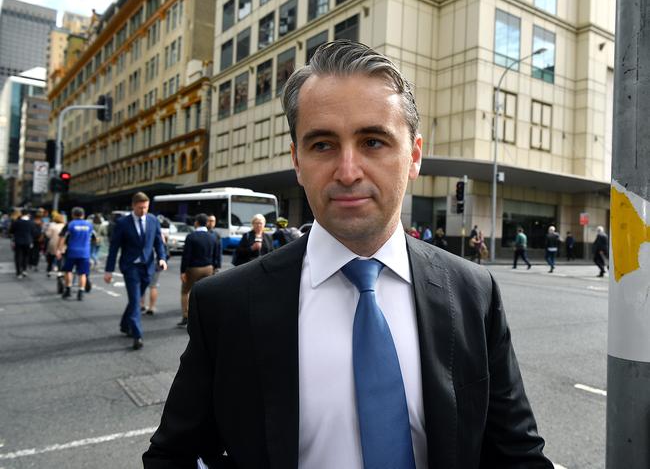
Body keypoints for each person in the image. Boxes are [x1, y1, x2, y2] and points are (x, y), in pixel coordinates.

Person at [143, 41, 551, 468]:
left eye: (373, 141)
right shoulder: (226, 303)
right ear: (297, 161)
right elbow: (172, 456)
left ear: (413, 156)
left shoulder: (473, 291)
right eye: (322, 145)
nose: (348, 171)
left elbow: (517, 453)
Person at [104, 192, 167, 350]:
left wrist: (162, 257)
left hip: (148, 266)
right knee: (135, 300)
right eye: (140, 208)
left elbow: (158, 242)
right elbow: (114, 248)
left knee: (135, 298)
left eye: (145, 207)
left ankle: (125, 325)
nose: (143, 211)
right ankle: (137, 335)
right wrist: (109, 270)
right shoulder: (123, 223)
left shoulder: (153, 220)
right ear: (133, 206)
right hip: (130, 266)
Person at [177, 213, 221, 328]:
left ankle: (186, 317)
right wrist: (216, 267)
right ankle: (205, 316)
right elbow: (216, 254)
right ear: (206, 223)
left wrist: (182, 271)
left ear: (196, 222)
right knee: (205, 293)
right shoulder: (213, 236)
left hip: (193, 268)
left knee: (185, 292)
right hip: (208, 268)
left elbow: (186, 256)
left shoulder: (191, 236)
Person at [57, 207, 92, 301]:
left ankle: (68, 289)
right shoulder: (89, 225)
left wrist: (59, 250)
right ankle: (81, 292)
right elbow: (93, 238)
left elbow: (62, 237)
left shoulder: (70, 224)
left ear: (72, 215)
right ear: (83, 215)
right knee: (83, 273)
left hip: (72, 251)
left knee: (68, 270)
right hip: (85, 252)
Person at [9, 209, 33, 278]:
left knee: (18, 256)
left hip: (18, 241)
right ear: (27, 214)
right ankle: (24, 270)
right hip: (28, 241)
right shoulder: (31, 222)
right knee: (26, 256)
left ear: (21, 214)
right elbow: (34, 232)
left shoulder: (16, 222)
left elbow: (11, 231)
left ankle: (18, 272)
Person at [45, 212, 66, 277]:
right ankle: (60, 271)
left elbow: (48, 235)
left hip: (53, 243)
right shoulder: (64, 226)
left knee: (51, 258)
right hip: (62, 244)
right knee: (61, 258)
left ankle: (49, 270)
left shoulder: (52, 225)